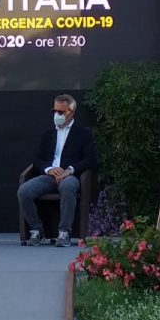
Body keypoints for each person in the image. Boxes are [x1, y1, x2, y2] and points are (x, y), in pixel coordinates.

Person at [17, 94, 97, 247]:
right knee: (24, 191)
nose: (57, 115)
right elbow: (37, 160)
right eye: (54, 111)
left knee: (68, 186)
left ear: (71, 112)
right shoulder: (48, 134)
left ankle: (64, 232)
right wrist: (49, 169)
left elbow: (90, 159)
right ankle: (37, 230)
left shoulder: (83, 133)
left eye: (61, 112)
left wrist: (70, 170)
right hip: (49, 177)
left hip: (70, 176)